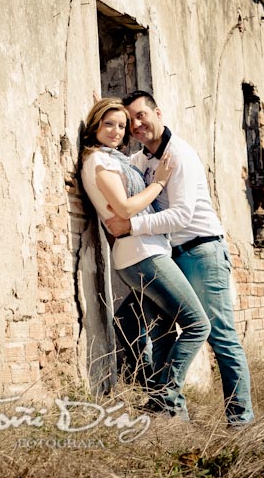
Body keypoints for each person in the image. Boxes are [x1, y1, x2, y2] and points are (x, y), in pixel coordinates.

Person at [105, 90, 255, 427]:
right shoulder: (141, 160)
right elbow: (114, 168)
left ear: (158, 113)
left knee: (219, 334)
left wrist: (130, 225)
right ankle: (172, 413)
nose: (136, 124)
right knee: (158, 331)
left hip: (202, 251)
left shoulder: (179, 155)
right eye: (131, 121)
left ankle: (241, 421)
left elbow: (181, 216)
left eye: (141, 115)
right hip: (169, 255)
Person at [79, 97, 210, 420]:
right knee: (197, 325)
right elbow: (123, 208)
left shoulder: (115, 160)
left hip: (143, 251)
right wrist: (160, 182)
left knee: (163, 333)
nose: (117, 131)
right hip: (142, 255)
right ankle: (166, 395)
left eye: (121, 126)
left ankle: (171, 417)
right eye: (109, 124)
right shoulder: (99, 161)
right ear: (95, 125)